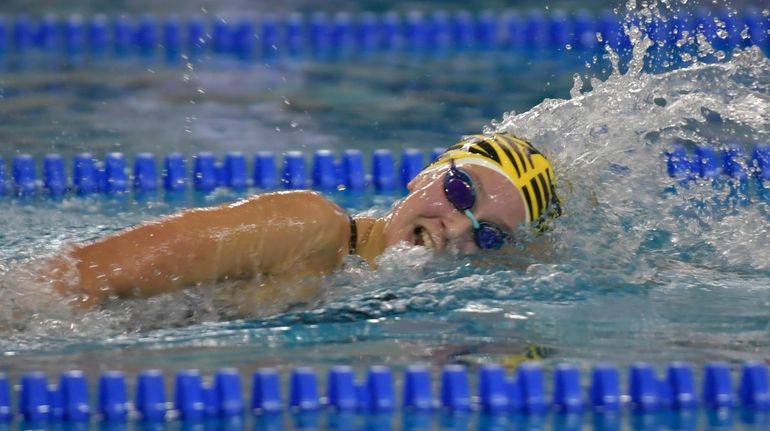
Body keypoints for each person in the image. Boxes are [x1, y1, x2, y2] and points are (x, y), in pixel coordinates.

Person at [43, 132, 561, 314]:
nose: (456, 225)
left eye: (489, 234)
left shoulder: (380, 292)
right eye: (458, 190)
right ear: (422, 175)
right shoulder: (310, 227)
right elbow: (78, 278)